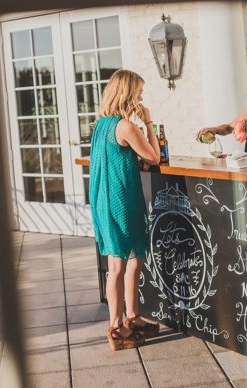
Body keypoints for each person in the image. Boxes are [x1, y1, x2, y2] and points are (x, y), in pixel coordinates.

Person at [89, 69, 161, 351]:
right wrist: (149, 121)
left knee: (125, 261)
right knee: (124, 263)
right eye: (139, 92)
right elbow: (153, 156)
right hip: (122, 199)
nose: (142, 96)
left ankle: (129, 318)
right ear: (129, 94)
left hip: (103, 200)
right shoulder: (126, 126)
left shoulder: (101, 125)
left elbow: (115, 157)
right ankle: (116, 327)